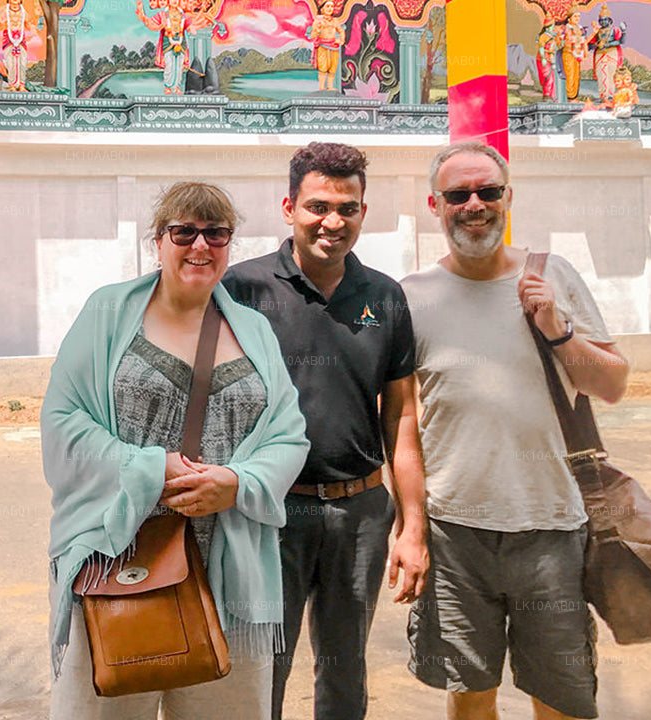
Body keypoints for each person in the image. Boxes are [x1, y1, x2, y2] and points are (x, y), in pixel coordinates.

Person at [44, 182, 311, 720]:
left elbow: (290, 434)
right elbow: (63, 422)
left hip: (231, 575)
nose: (200, 246)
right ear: (158, 241)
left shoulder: (253, 330)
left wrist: (235, 484)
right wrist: (146, 469)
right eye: (184, 231)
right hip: (119, 564)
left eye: (217, 233)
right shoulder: (108, 314)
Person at [401, 141, 629, 720]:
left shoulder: (553, 276)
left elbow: (612, 384)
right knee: (469, 693)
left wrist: (557, 330)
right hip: (456, 534)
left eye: (488, 192)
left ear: (508, 198)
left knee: (560, 697)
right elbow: (401, 422)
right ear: (436, 204)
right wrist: (411, 526)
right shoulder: (412, 296)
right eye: (459, 195)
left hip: (551, 527)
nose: (474, 205)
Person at [223, 142, 428, 720]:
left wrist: (412, 526)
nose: (332, 222)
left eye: (348, 208)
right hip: (268, 513)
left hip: (360, 513)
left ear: (364, 210)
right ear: (288, 207)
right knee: (262, 669)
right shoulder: (244, 290)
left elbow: (402, 417)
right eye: (318, 206)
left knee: (344, 671)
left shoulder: (385, 297)